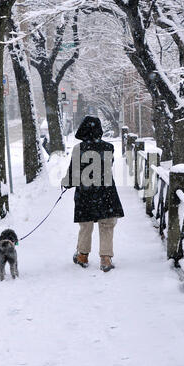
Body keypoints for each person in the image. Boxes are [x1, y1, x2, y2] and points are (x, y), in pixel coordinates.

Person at [61, 116, 124, 272]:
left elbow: (74, 175)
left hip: (86, 193)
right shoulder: (109, 147)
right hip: (106, 193)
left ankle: (82, 255)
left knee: (86, 225)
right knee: (107, 225)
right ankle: (106, 258)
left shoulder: (79, 149)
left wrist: (66, 183)